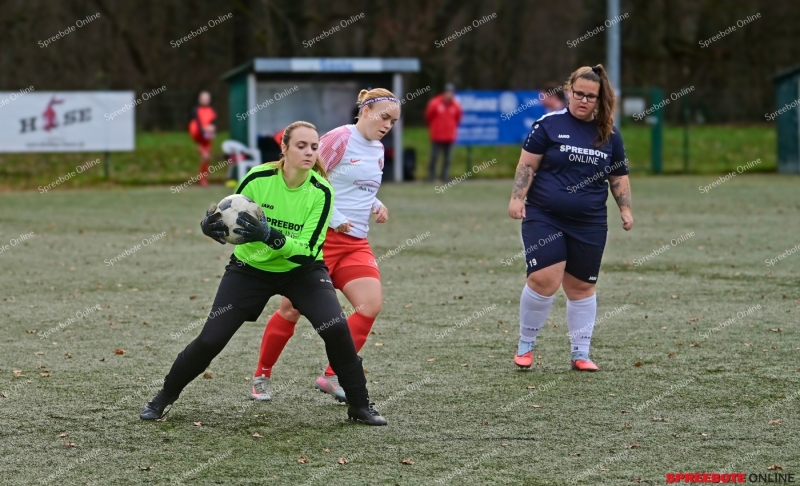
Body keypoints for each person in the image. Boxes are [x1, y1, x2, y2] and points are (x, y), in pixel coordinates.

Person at [140, 121, 387, 426]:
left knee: (335, 329)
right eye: (301, 145)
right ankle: (163, 398)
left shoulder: (321, 191)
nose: (309, 152)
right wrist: (210, 226)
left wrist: (270, 235)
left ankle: (359, 406)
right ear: (283, 148)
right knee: (210, 340)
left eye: (313, 147)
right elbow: (229, 215)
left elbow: (307, 249)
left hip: (302, 271)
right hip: (250, 269)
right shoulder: (258, 177)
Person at [251, 88, 398, 403]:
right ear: (366, 110)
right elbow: (309, 181)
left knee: (369, 305)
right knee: (291, 310)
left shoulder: (379, 149)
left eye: (393, 121)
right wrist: (335, 218)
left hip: (356, 243)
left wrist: (375, 203)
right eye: (384, 116)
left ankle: (332, 376)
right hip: (321, 240)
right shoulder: (339, 139)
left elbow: (357, 186)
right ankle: (262, 375)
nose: (388, 125)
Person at [507, 64, 633, 372]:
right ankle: (526, 344)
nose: (584, 100)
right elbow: (527, 166)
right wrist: (517, 197)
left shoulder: (610, 135)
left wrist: (625, 209)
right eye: (579, 94)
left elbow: (618, 176)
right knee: (544, 278)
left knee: (581, 287)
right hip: (544, 216)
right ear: (568, 91)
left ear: (600, 99)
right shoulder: (548, 125)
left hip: (589, 222)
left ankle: (581, 353)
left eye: (591, 96)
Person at [424, 83, 462, 182]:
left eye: (451, 93)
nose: (449, 95)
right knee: (434, 157)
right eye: (447, 92)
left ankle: (444, 176)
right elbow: (428, 116)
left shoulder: (456, 105)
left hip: (449, 136)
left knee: (448, 159)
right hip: (437, 135)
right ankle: (431, 176)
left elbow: (458, 118)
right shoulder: (435, 103)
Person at [189, 91, 217, 187]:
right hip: (198, 136)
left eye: (207, 98)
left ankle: (203, 178)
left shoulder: (211, 111)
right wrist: (206, 129)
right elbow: (198, 126)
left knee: (206, 159)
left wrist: (211, 129)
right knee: (204, 156)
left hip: (207, 138)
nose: (205, 100)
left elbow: (213, 125)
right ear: (199, 99)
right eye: (203, 98)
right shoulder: (196, 110)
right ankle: (202, 179)